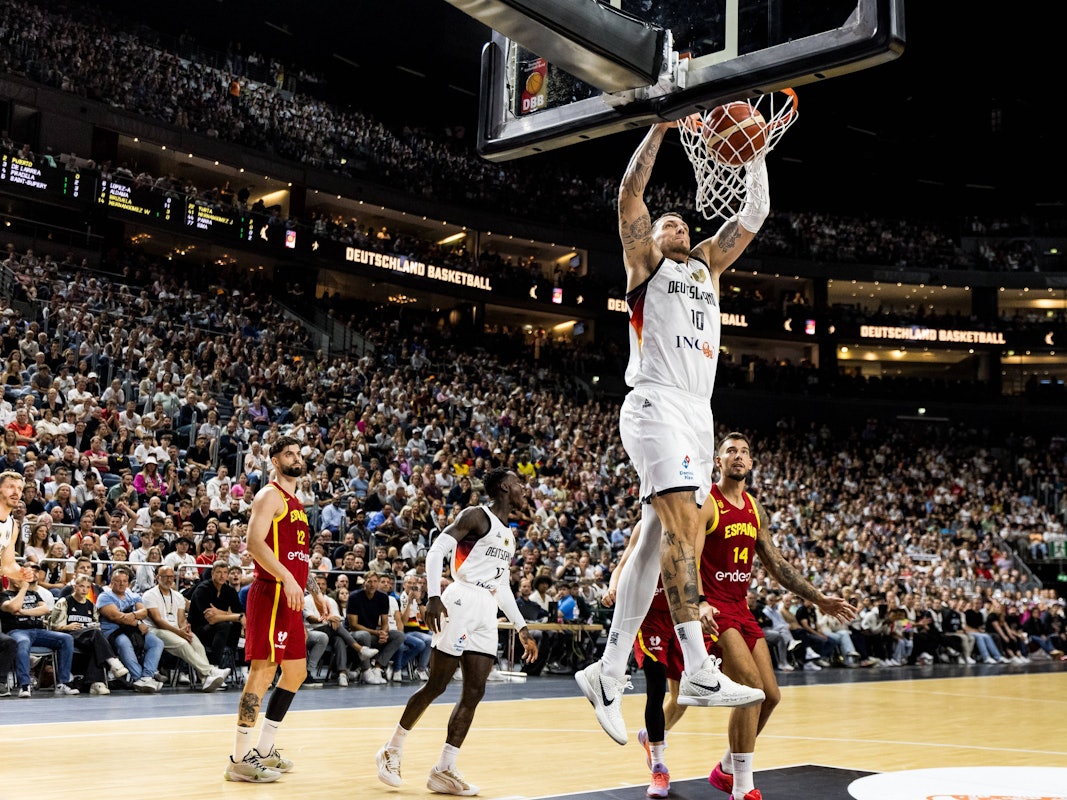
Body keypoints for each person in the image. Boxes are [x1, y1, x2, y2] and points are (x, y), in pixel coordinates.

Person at [575, 119, 771, 744]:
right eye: (667, 225)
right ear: (652, 240)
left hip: (698, 410)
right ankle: (700, 668)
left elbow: (756, 213)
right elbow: (629, 196)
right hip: (656, 401)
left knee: (659, 532)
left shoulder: (709, 265)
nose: (678, 227)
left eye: (684, 224)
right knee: (685, 525)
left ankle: (606, 671)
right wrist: (660, 127)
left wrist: (755, 152)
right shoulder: (647, 266)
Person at [674, 433, 858, 800]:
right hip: (716, 610)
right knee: (748, 691)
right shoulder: (707, 503)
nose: (738, 457)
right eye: (731, 452)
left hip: (742, 609)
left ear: (752, 463)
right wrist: (702, 601)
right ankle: (743, 788)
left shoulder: (755, 508)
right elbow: (688, 557)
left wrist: (818, 597)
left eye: (744, 452)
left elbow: (776, 563)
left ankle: (727, 768)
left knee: (770, 696)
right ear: (718, 462)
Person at [376, 469, 536, 795]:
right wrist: (433, 595)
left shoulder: (509, 534)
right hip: (459, 599)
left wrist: (522, 627)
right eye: (518, 483)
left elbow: (502, 585)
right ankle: (391, 749)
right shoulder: (476, 515)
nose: (524, 488)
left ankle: (444, 769)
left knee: (475, 692)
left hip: (486, 608)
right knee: (437, 684)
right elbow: (436, 551)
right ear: (505, 486)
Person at [225, 436, 328, 783]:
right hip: (270, 594)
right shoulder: (269, 495)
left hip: (293, 597)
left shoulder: (297, 502)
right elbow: (254, 544)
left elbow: (297, 560)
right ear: (274, 460)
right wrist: (287, 579)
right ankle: (238, 759)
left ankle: (265, 749)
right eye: (289, 454)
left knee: (296, 673)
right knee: (263, 672)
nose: (296, 458)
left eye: (299, 453)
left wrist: (316, 593)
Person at [142, 566, 232, 691]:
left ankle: (206, 680)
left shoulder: (178, 596)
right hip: (156, 631)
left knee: (197, 644)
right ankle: (210, 671)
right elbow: (158, 621)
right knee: (183, 644)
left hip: (176, 629)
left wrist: (185, 628)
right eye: (165, 577)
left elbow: (180, 620)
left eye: (171, 576)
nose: (169, 580)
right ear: (157, 578)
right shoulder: (149, 595)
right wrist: (179, 632)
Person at [0, 563, 81, 697]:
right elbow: (13, 607)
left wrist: (23, 612)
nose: (22, 579)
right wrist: (24, 588)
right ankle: (24, 685)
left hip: (39, 631)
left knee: (66, 638)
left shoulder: (34, 593)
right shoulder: (4, 595)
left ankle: (63, 682)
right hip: (17, 631)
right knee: (23, 642)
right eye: (19, 576)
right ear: (9, 577)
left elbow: (44, 609)